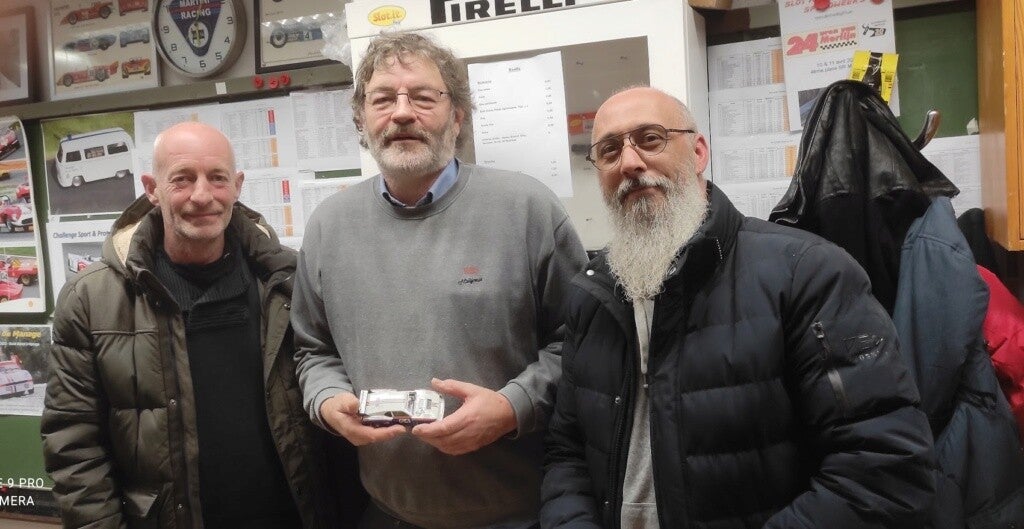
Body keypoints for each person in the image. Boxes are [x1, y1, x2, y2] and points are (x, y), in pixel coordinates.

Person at [539, 87, 936, 528]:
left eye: (650, 139)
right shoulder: (591, 296)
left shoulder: (807, 273)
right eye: (609, 151)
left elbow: (883, 471)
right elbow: (567, 453)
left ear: (698, 151)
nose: (629, 162)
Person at [292, 32, 587, 529]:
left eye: (423, 97)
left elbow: (581, 344)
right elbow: (312, 350)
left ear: (458, 116)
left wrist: (512, 407)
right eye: (382, 99)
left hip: (518, 516)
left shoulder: (528, 209)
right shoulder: (327, 226)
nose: (402, 113)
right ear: (362, 119)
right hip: (386, 513)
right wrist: (325, 400)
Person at [41, 122, 345, 529]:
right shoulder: (91, 299)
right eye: (182, 179)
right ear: (152, 188)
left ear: (237, 186)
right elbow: (74, 445)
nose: (202, 196)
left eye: (217, 178)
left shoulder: (286, 280)